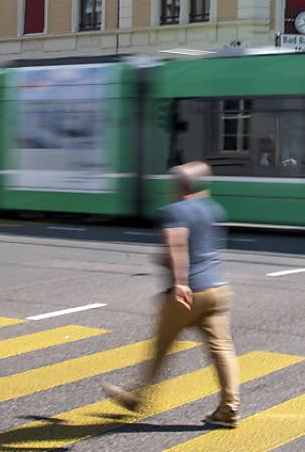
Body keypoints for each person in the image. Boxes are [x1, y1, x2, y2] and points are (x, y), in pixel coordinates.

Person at [103, 161, 240, 428]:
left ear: (181, 186)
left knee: (162, 347)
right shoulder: (215, 210)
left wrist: (179, 282)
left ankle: (138, 397)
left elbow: (177, 245)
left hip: (190, 293)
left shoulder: (173, 211)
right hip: (218, 289)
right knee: (222, 349)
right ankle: (229, 407)